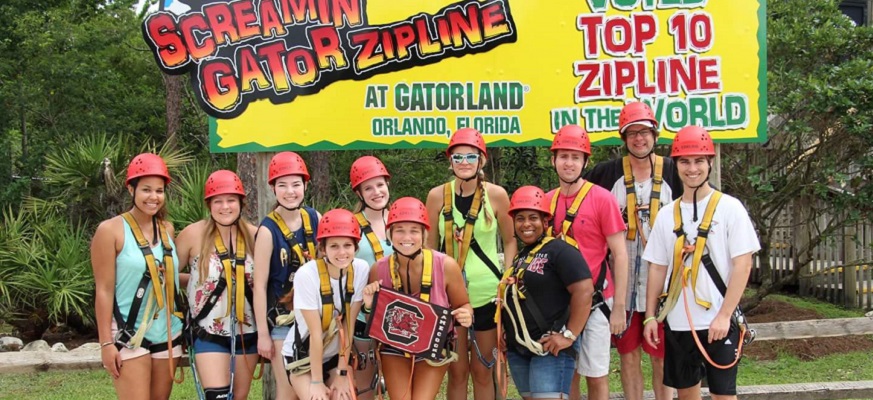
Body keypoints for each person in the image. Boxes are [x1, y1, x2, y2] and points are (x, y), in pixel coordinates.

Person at [643, 126, 760, 400]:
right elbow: (657, 268)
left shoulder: (730, 208)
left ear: (710, 162)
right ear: (676, 164)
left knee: (723, 395)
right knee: (686, 394)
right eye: (684, 161)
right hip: (678, 322)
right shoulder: (666, 215)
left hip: (718, 320)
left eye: (698, 161)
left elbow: (743, 264)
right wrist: (650, 316)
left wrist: (724, 315)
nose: (691, 169)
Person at [584, 102, 682, 400]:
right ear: (624, 138)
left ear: (655, 134)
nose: (639, 139)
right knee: (628, 355)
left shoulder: (677, 172)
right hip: (621, 286)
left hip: (663, 285)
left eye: (645, 132)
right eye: (632, 133)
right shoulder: (604, 174)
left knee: (661, 356)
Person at [425, 128, 517, 400]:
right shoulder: (437, 196)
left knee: (482, 369)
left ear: (481, 160)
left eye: (470, 156)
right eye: (458, 156)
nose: (464, 162)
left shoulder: (497, 195)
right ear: (450, 161)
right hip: (449, 297)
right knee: (457, 371)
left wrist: (506, 277)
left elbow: (510, 240)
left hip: (486, 295)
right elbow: (430, 245)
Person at [91, 153, 184, 400]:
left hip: (167, 333)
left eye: (159, 190)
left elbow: (169, 278)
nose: (154, 197)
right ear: (131, 189)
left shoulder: (167, 230)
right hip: (128, 333)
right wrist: (106, 343)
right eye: (146, 190)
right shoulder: (110, 230)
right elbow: (103, 289)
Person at [545, 125, 629, 400]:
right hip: (560, 304)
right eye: (563, 156)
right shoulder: (546, 202)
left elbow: (620, 253)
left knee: (596, 375)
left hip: (596, 301)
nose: (569, 163)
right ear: (553, 159)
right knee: (567, 375)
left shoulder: (602, 199)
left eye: (575, 157)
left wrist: (619, 307)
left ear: (585, 162)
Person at [362, 197, 474, 400]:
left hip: (433, 346)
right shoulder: (379, 269)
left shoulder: (445, 266)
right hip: (394, 347)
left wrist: (466, 314)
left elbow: (463, 304)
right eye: (399, 230)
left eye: (414, 230)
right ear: (390, 234)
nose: (407, 237)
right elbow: (374, 317)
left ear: (424, 234)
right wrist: (369, 306)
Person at [497, 186, 595, 400]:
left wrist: (569, 335)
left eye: (533, 218)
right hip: (520, 348)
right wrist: (508, 331)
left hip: (549, 348)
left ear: (545, 222)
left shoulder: (560, 250)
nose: (526, 224)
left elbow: (585, 290)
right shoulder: (521, 257)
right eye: (520, 218)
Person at [176, 170, 261, 400]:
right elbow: (167, 277)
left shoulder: (255, 236)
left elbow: (265, 283)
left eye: (231, 200)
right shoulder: (193, 235)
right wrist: (194, 282)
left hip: (248, 332)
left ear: (241, 203)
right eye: (218, 201)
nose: (225, 207)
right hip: (208, 331)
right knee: (218, 397)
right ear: (209, 204)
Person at [281, 209, 370, 400]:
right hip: (303, 357)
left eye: (348, 245)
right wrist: (316, 382)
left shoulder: (360, 269)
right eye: (334, 246)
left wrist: (342, 372)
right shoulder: (307, 275)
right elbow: (314, 333)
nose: (342, 252)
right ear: (322, 248)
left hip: (334, 356)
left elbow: (349, 324)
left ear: (356, 247)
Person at [253, 151, 320, 400]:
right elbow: (259, 286)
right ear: (273, 188)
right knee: (288, 389)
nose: (290, 191)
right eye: (282, 185)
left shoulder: (315, 219)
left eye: (295, 184)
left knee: (315, 385)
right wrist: (263, 334)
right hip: (283, 321)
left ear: (305, 185)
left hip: (314, 319)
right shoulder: (268, 230)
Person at [348, 155, 394, 399]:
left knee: (400, 387)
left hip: (398, 315)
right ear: (359, 193)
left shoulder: (403, 219)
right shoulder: (350, 226)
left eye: (380, 184)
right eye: (368, 187)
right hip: (363, 317)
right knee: (364, 387)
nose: (376, 192)